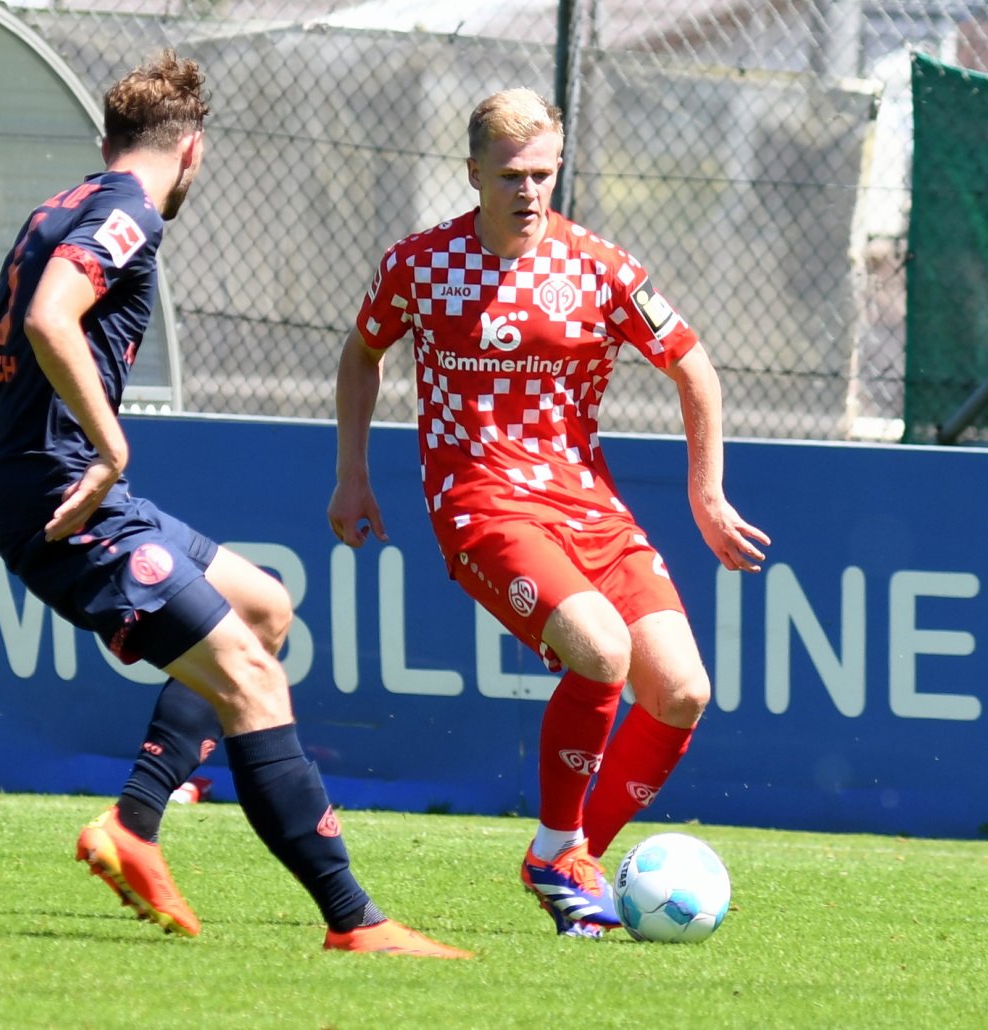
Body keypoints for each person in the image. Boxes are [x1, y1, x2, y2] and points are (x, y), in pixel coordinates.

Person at [0, 50, 471, 960]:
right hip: (68, 497)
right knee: (251, 679)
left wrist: (28, 457)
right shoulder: (128, 215)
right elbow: (47, 321)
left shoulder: (55, 210)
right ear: (191, 149)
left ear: (107, 141)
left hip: (36, 482)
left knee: (264, 606)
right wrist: (101, 449)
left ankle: (135, 826)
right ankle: (357, 922)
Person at [327, 88, 770, 939]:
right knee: (602, 652)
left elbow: (694, 366)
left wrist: (706, 496)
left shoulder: (600, 267)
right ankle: (560, 853)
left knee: (680, 691)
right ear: (472, 175)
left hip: (587, 505)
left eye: (543, 174)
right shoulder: (420, 265)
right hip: (480, 501)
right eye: (510, 175)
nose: (529, 191)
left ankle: (569, 864)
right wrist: (352, 473)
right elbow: (362, 353)